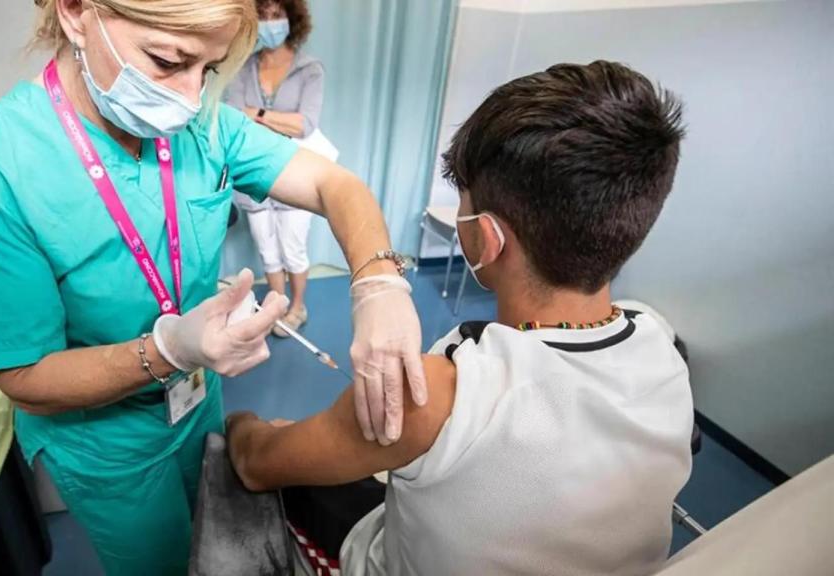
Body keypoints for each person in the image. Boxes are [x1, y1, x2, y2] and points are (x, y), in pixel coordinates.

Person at [0, 1, 427, 574]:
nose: (191, 97)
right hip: (108, 445)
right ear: (74, 12)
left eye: (209, 70)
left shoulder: (203, 123)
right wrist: (166, 351)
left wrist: (379, 283)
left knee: (215, 533)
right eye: (167, 60)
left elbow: (333, 183)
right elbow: (25, 377)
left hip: (197, 400)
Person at [227, 61, 693, 576]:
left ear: (486, 238)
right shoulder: (661, 348)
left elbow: (255, 462)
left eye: (462, 200)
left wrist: (245, 424)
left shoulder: (438, 394)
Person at [224, 0, 323, 336]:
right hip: (252, 174)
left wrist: (259, 114)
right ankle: (278, 303)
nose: (269, 23)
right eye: (262, 16)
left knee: (293, 247)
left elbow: (305, 124)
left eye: (276, 15)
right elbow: (234, 116)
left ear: (292, 20)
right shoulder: (242, 67)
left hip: (295, 174)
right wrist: (272, 119)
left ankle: (298, 306)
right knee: (267, 247)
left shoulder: (309, 69)